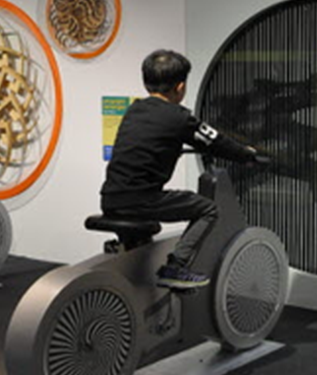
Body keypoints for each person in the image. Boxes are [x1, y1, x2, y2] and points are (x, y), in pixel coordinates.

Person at [101, 49, 260, 289]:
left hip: (111, 198)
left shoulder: (134, 110)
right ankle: (176, 267)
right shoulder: (178, 117)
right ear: (181, 87)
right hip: (143, 200)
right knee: (208, 210)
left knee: (139, 251)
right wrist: (246, 154)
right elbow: (215, 141)